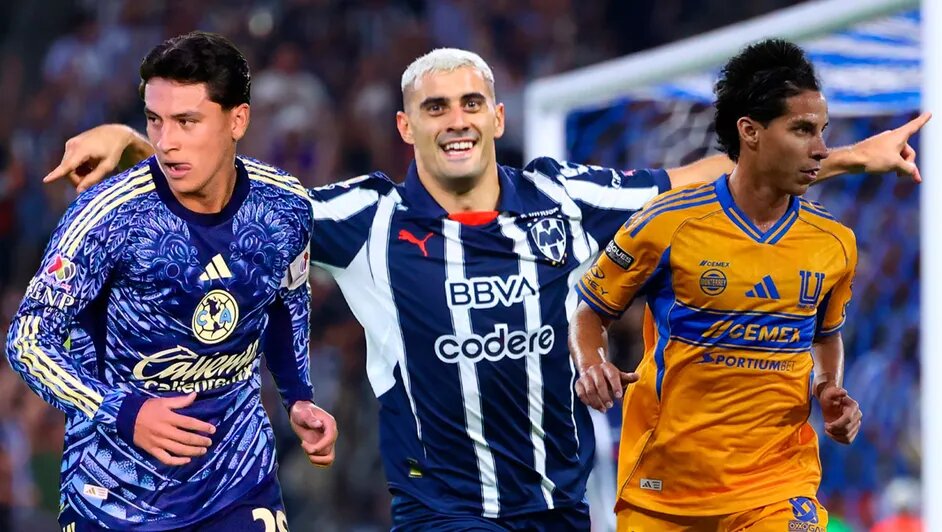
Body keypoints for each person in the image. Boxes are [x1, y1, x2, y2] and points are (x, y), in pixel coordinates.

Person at [45, 45, 926, 530]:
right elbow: (232, 192)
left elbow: (711, 180)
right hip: (441, 514)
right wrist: (139, 142)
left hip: (558, 509)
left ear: (498, 117)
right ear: (406, 127)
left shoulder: (564, 197)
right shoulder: (364, 217)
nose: (456, 119)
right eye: (435, 107)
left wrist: (850, 155)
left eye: (471, 103)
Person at [5, 32, 338, 531]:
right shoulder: (107, 216)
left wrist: (299, 396)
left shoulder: (284, 206)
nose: (166, 142)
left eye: (187, 121)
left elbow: (287, 299)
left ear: (238, 120)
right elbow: (28, 340)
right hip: (113, 495)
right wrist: (123, 412)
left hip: (237, 482)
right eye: (155, 120)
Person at [571, 39, 871, 531]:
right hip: (666, 487)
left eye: (822, 131)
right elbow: (590, 309)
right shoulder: (667, 223)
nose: (821, 148)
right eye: (802, 129)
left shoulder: (834, 241)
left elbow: (824, 333)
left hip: (777, 483)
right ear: (750, 132)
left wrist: (828, 387)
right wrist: (592, 363)